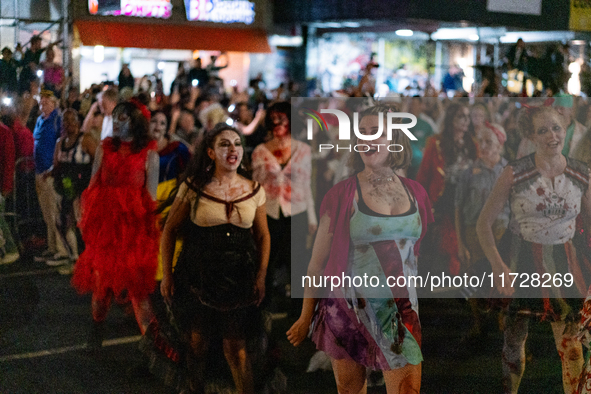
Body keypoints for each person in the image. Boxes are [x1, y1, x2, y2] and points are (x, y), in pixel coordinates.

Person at [287, 103, 434, 393]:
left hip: (401, 313)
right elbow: (317, 264)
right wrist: (306, 316)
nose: (367, 139)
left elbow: (413, 256)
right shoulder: (341, 194)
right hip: (347, 310)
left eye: (376, 132)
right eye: (362, 133)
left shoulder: (417, 193)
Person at [476, 104, 591, 393]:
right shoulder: (515, 173)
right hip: (520, 260)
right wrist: (498, 266)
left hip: (565, 262)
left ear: (565, 129)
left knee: (571, 347)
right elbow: (483, 224)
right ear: (530, 135)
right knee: (514, 342)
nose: (552, 136)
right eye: (543, 130)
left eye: (556, 128)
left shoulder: (581, 174)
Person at [160, 124, 270, 394]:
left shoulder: (254, 190)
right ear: (210, 152)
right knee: (197, 345)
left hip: (239, 279)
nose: (233, 149)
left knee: (237, 348)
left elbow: (263, 237)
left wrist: (261, 275)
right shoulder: (194, 187)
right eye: (224, 144)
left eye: (237, 143)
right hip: (199, 276)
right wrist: (167, 274)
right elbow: (170, 230)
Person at [72, 101, 160, 347]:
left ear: (136, 121)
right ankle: (96, 330)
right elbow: (93, 185)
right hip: (106, 229)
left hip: (133, 230)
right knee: (101, 286)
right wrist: (86, 218)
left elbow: (150, 199)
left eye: (124, 117)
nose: (118, 122)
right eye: (116, 117)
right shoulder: (104, 149)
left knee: (138, 292)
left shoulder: (150, 155)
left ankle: (154, 348)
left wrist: (149, 233)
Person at [251, 101, 317, 306]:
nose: (278, 122)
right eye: (274, 119)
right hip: (268, 213)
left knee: (298, 262)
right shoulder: (260, 152)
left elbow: (306, 185)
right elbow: (256, 187)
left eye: (282, 118)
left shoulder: (304, 150)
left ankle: (299, 312)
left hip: (297, 211)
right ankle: (264, 307)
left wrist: (312, 219)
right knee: (266, 261)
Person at [416, 103, 477, 275]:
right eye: (460, 117)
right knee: (443, 249)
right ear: (451, 120)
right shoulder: (436, 143)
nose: (465, 121)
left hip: (467, 200)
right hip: (443, 201)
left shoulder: (472, 144)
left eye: (467, 117)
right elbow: (423, 177)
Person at [44, 109, 96, 273]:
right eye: (65, 121)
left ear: (78, 122)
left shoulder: (86, 140)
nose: (68, 124)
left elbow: (99, 161)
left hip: (83, 189)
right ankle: (73, 257)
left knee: (84, 225)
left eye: (72, 121)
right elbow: (57, 164)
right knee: (63, 223)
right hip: (65, 189)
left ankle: (90, 259)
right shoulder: (61, 142)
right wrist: (50, 173)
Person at [33, 90, 69, 263]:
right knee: (47, 213)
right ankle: (52, 247)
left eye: (46, 102)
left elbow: (61, 144)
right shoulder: (41, 120)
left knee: (55, 212)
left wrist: (55, 168)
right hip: (39, 171)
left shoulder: (57, 120)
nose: (42, 106)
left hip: (50, 172)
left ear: (54, 104)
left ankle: (63, 250)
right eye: (41, 103)